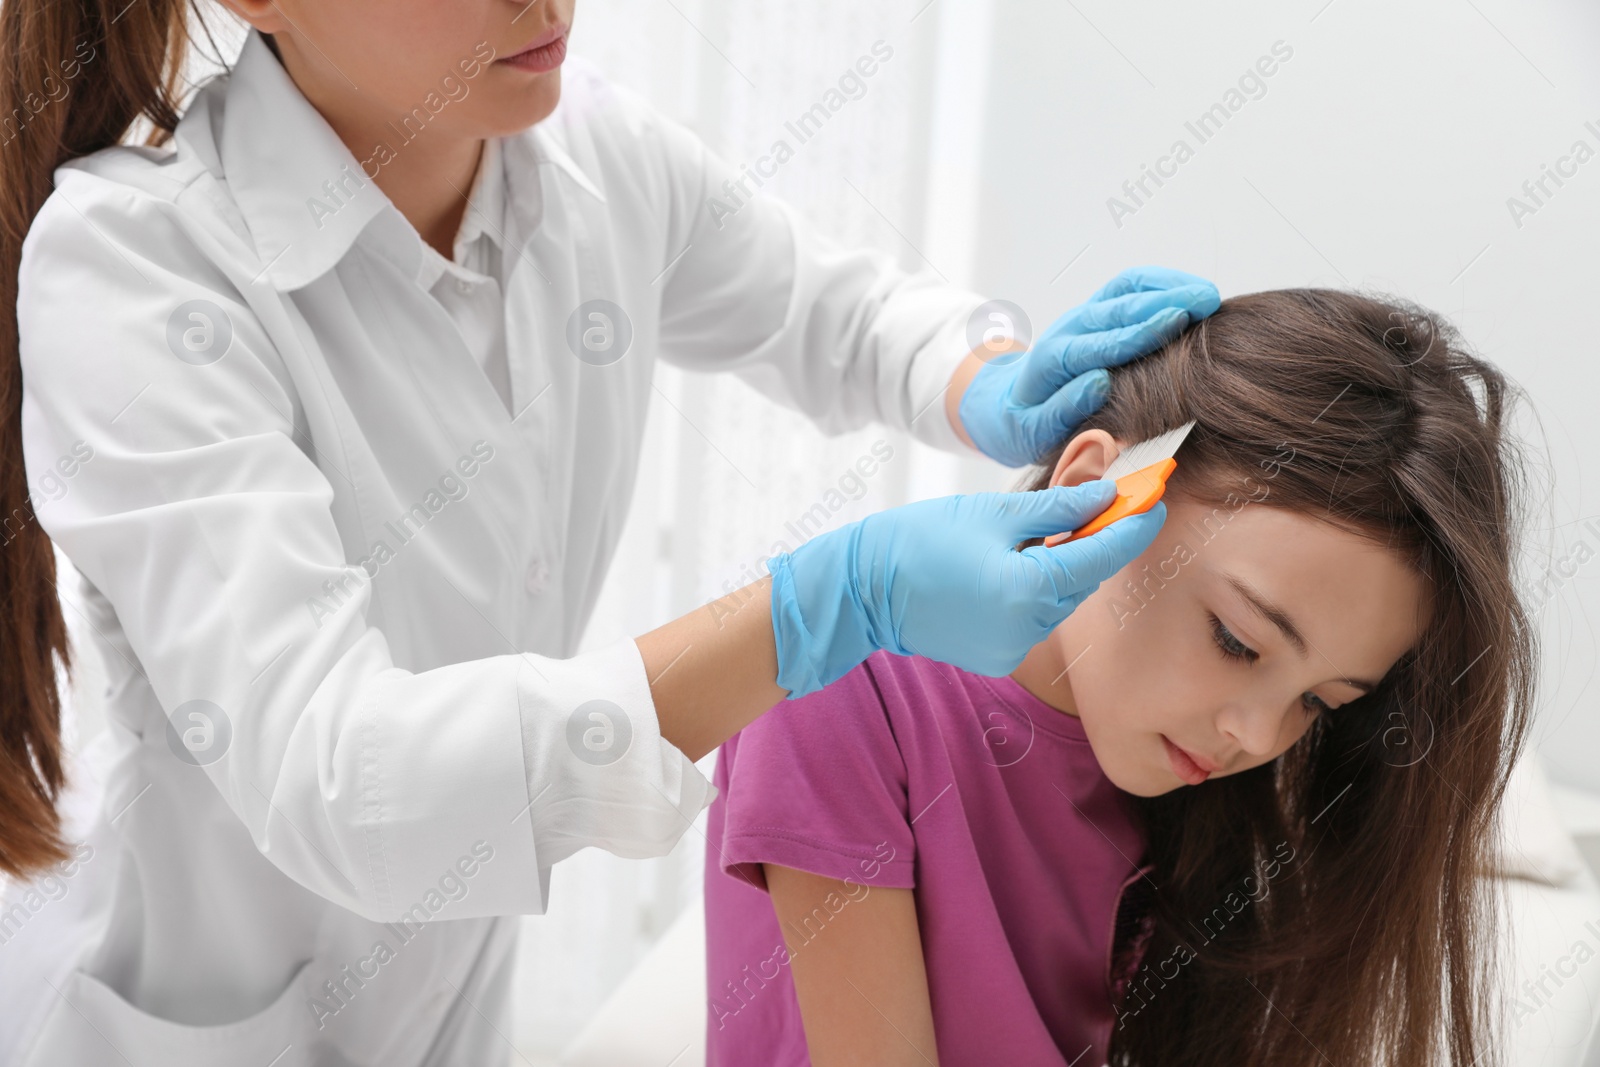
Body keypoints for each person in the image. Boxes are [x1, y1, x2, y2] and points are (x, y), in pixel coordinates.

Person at [0, 0, 1222, 1064]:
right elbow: (345, 784)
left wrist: (995, 377)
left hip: (446, 1019)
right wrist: (823, 606)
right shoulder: (137, 271)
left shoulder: (593, 161)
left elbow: (829, 311)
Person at [704, 289, 1536, 1067]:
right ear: (1090, 490)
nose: (1258, 735)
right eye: (1237, 641)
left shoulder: (1183, 786)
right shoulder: (840, 684)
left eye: (1319, 701)